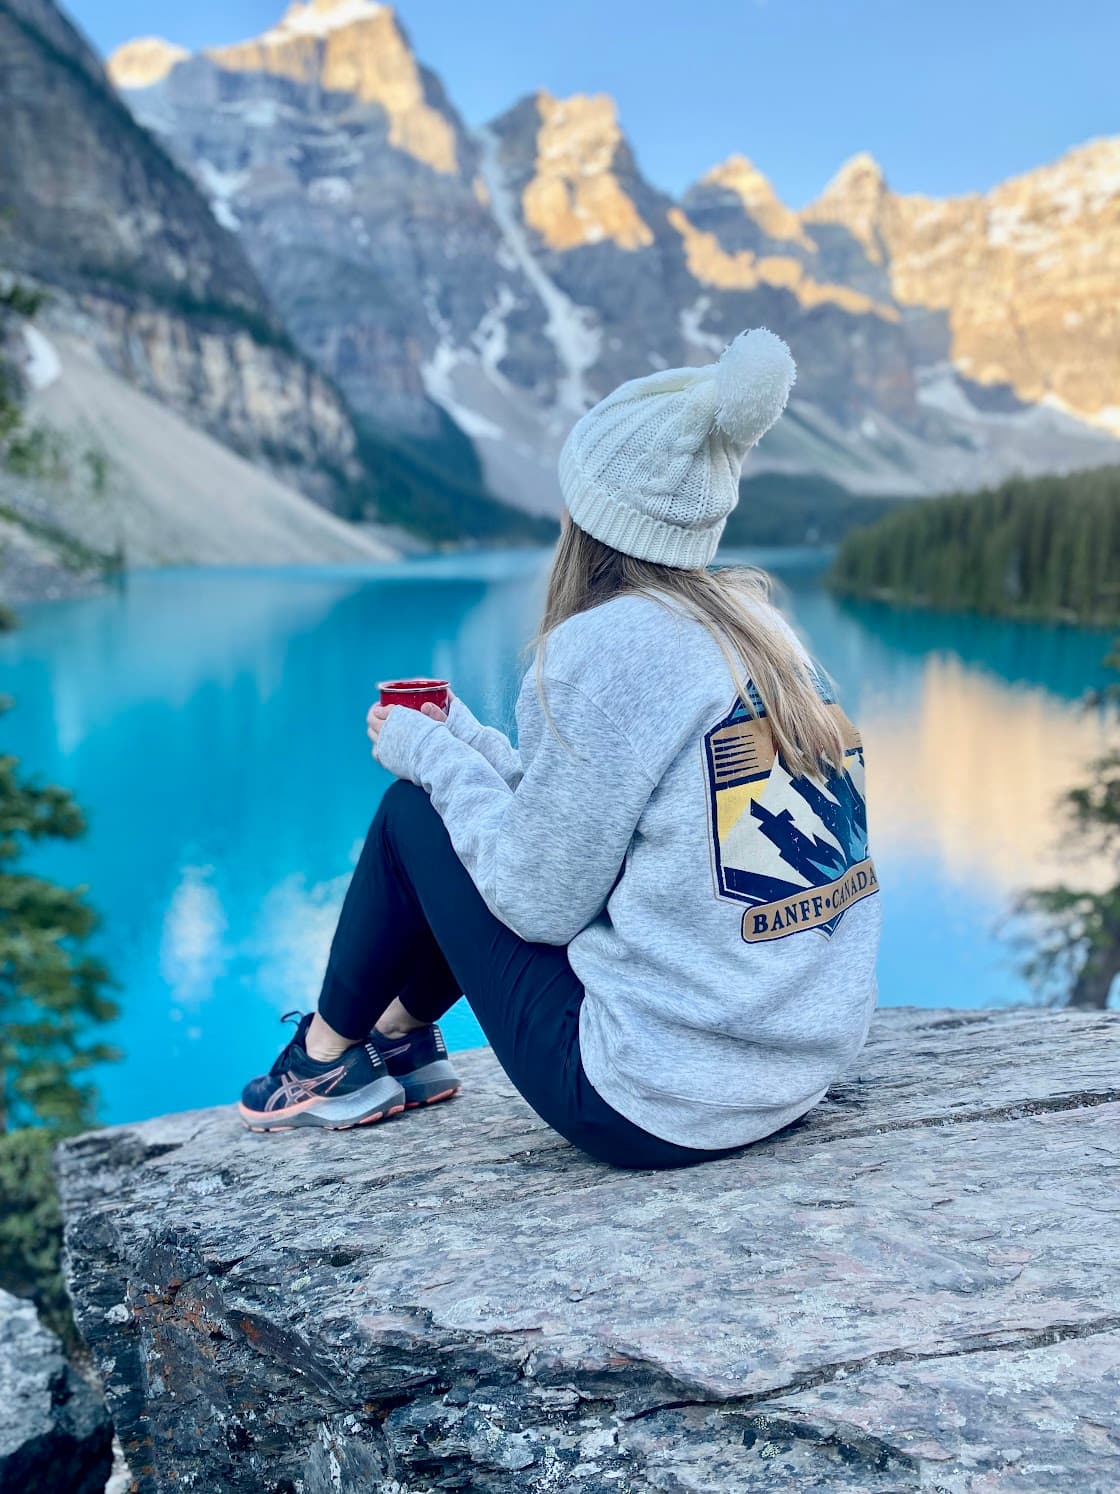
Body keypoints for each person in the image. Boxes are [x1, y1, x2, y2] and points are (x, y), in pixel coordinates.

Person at [238, 327, 882, 1169]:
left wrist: (427, 757)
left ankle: (324, 1061)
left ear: (590, 515)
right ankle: (400, 1043)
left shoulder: (605, 649)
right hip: (794, 1065)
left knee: (410, 813)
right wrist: (464, 739)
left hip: (653, 1100)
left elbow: (537, 898)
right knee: (455, 808)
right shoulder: (763, 632)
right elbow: (584, 822)